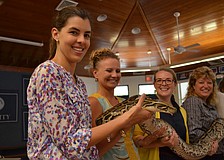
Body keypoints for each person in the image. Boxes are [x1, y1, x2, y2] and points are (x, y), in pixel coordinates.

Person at [26, 6, 151, 159]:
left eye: (86, 35)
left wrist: (125, 125)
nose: (81, 40)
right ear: (56, 34)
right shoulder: (48, 73)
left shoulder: (78, 84)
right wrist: (125, 118)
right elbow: (70, 144)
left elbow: (88, 144)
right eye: (74, 32)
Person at [88, 48, 140, 159]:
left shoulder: (124, 102)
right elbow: (97, 150)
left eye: (118, 71)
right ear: (95, 73)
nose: (115, 75)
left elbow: (130, 140)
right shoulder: (94, 102)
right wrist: (126, 124)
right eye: (109, 70)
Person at [133, 68, 189, 160]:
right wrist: (158, 142)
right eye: (159, 80)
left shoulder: (182, 111)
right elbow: (137, 142)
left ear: (175, 84)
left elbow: (186, 142)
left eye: (168, 80)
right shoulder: (144, 110)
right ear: (154, 84)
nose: (163, 84)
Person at [182, 66, 224, 159]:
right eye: (201, 82)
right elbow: (193, 133)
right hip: (205, 156)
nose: (206, 86)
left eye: (209, 83)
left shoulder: (210, 104)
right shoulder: (193, 101)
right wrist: (214, 141)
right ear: (193, 85)